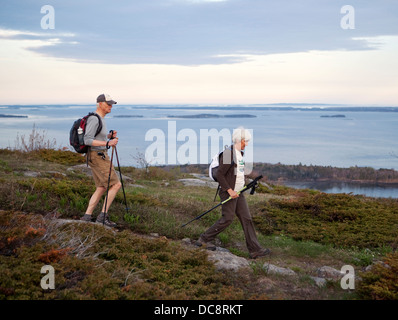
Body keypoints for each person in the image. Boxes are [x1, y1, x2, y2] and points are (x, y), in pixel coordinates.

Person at [196, 127, 271, 259]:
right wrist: (229, 190)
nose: (246, 144)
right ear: (239, 140)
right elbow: (220, 174)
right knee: (228, 219)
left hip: (238, 192)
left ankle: (255, 250)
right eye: (245, 141)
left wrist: (248, 183)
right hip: (228, 192)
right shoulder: (228, 153)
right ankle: (203, 239)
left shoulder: (239, 153)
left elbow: (237, 174)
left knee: (246, 218)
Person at [80, 94, 122, 227]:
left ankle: (87, 216)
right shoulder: (94, 119)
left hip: (96, 155)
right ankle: (102, 217)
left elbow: (95, 137)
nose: (110, 106)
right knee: (116, 185)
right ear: (99, 104)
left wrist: (108, 136)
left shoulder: (100, 119)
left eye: (111, 104)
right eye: (108, 104)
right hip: (97, 156)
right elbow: (87, 140)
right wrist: (108, 144)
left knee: (102, 187)